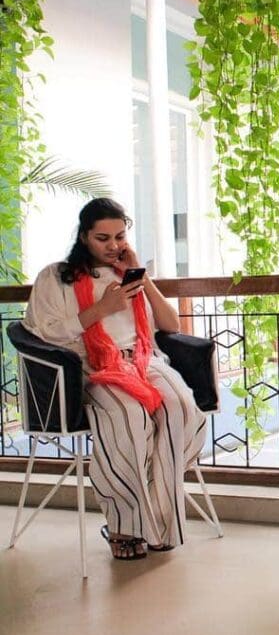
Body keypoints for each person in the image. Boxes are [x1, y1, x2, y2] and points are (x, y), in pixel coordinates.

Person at [23, 198, 207, 560]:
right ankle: (124, 525)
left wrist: (142, 276)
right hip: (92, 366)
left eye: (120, 236)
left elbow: (171, 324)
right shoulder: (56, 277)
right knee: (129, 417)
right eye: (102, 238)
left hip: (143, 360)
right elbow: (45, 333)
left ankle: (157, 523)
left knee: (181, 409)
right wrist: (101, 310)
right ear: (83, 236)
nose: (113, 246)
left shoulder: (128, 274)